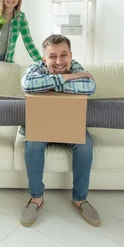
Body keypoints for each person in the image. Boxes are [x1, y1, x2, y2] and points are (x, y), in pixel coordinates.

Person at [19, 34, 100, 227]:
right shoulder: (37, 67)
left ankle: (80, 199)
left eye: (64, 55)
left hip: (71, 124)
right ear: (44, 59)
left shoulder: (77, 66)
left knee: (86, 146)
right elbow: (28, 84)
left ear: (71, 55)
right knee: (32, 146)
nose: (58, 61)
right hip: (41, 124)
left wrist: (50, 84)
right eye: (52, 56)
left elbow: (90, 86)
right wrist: (68, 78)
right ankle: (36, 198)